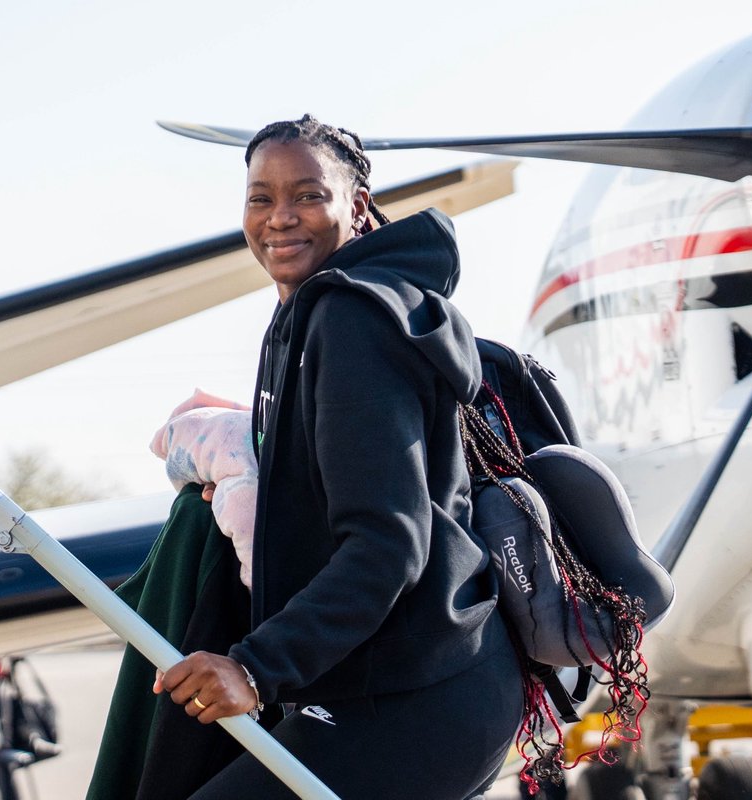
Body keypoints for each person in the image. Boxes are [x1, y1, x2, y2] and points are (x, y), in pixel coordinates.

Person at [153, 115, 524, 799]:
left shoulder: (351, 319)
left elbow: (387, 541)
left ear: (355, 206)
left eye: (308, 195)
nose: (281, 218)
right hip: (403, 683)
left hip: (416, 698)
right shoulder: (321, 312)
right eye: (261, 198)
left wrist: (256, 669)